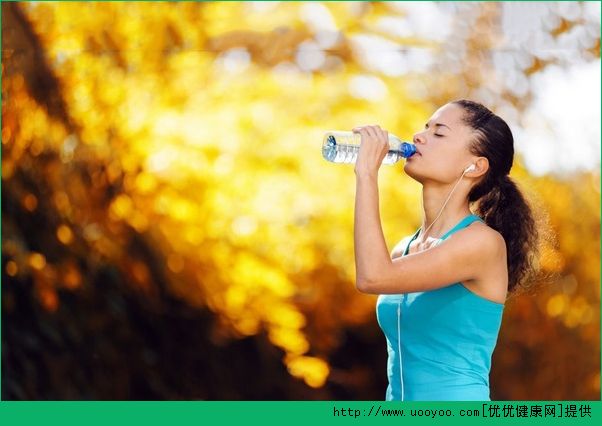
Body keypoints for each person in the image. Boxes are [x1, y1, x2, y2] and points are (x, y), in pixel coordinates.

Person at [352, 99, 539, 401]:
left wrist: (366, 174)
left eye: (439, 133)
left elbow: (372, 277)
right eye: (425, 128)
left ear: (475, 166)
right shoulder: (405, 250)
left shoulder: (481, 243)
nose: (419, 137)